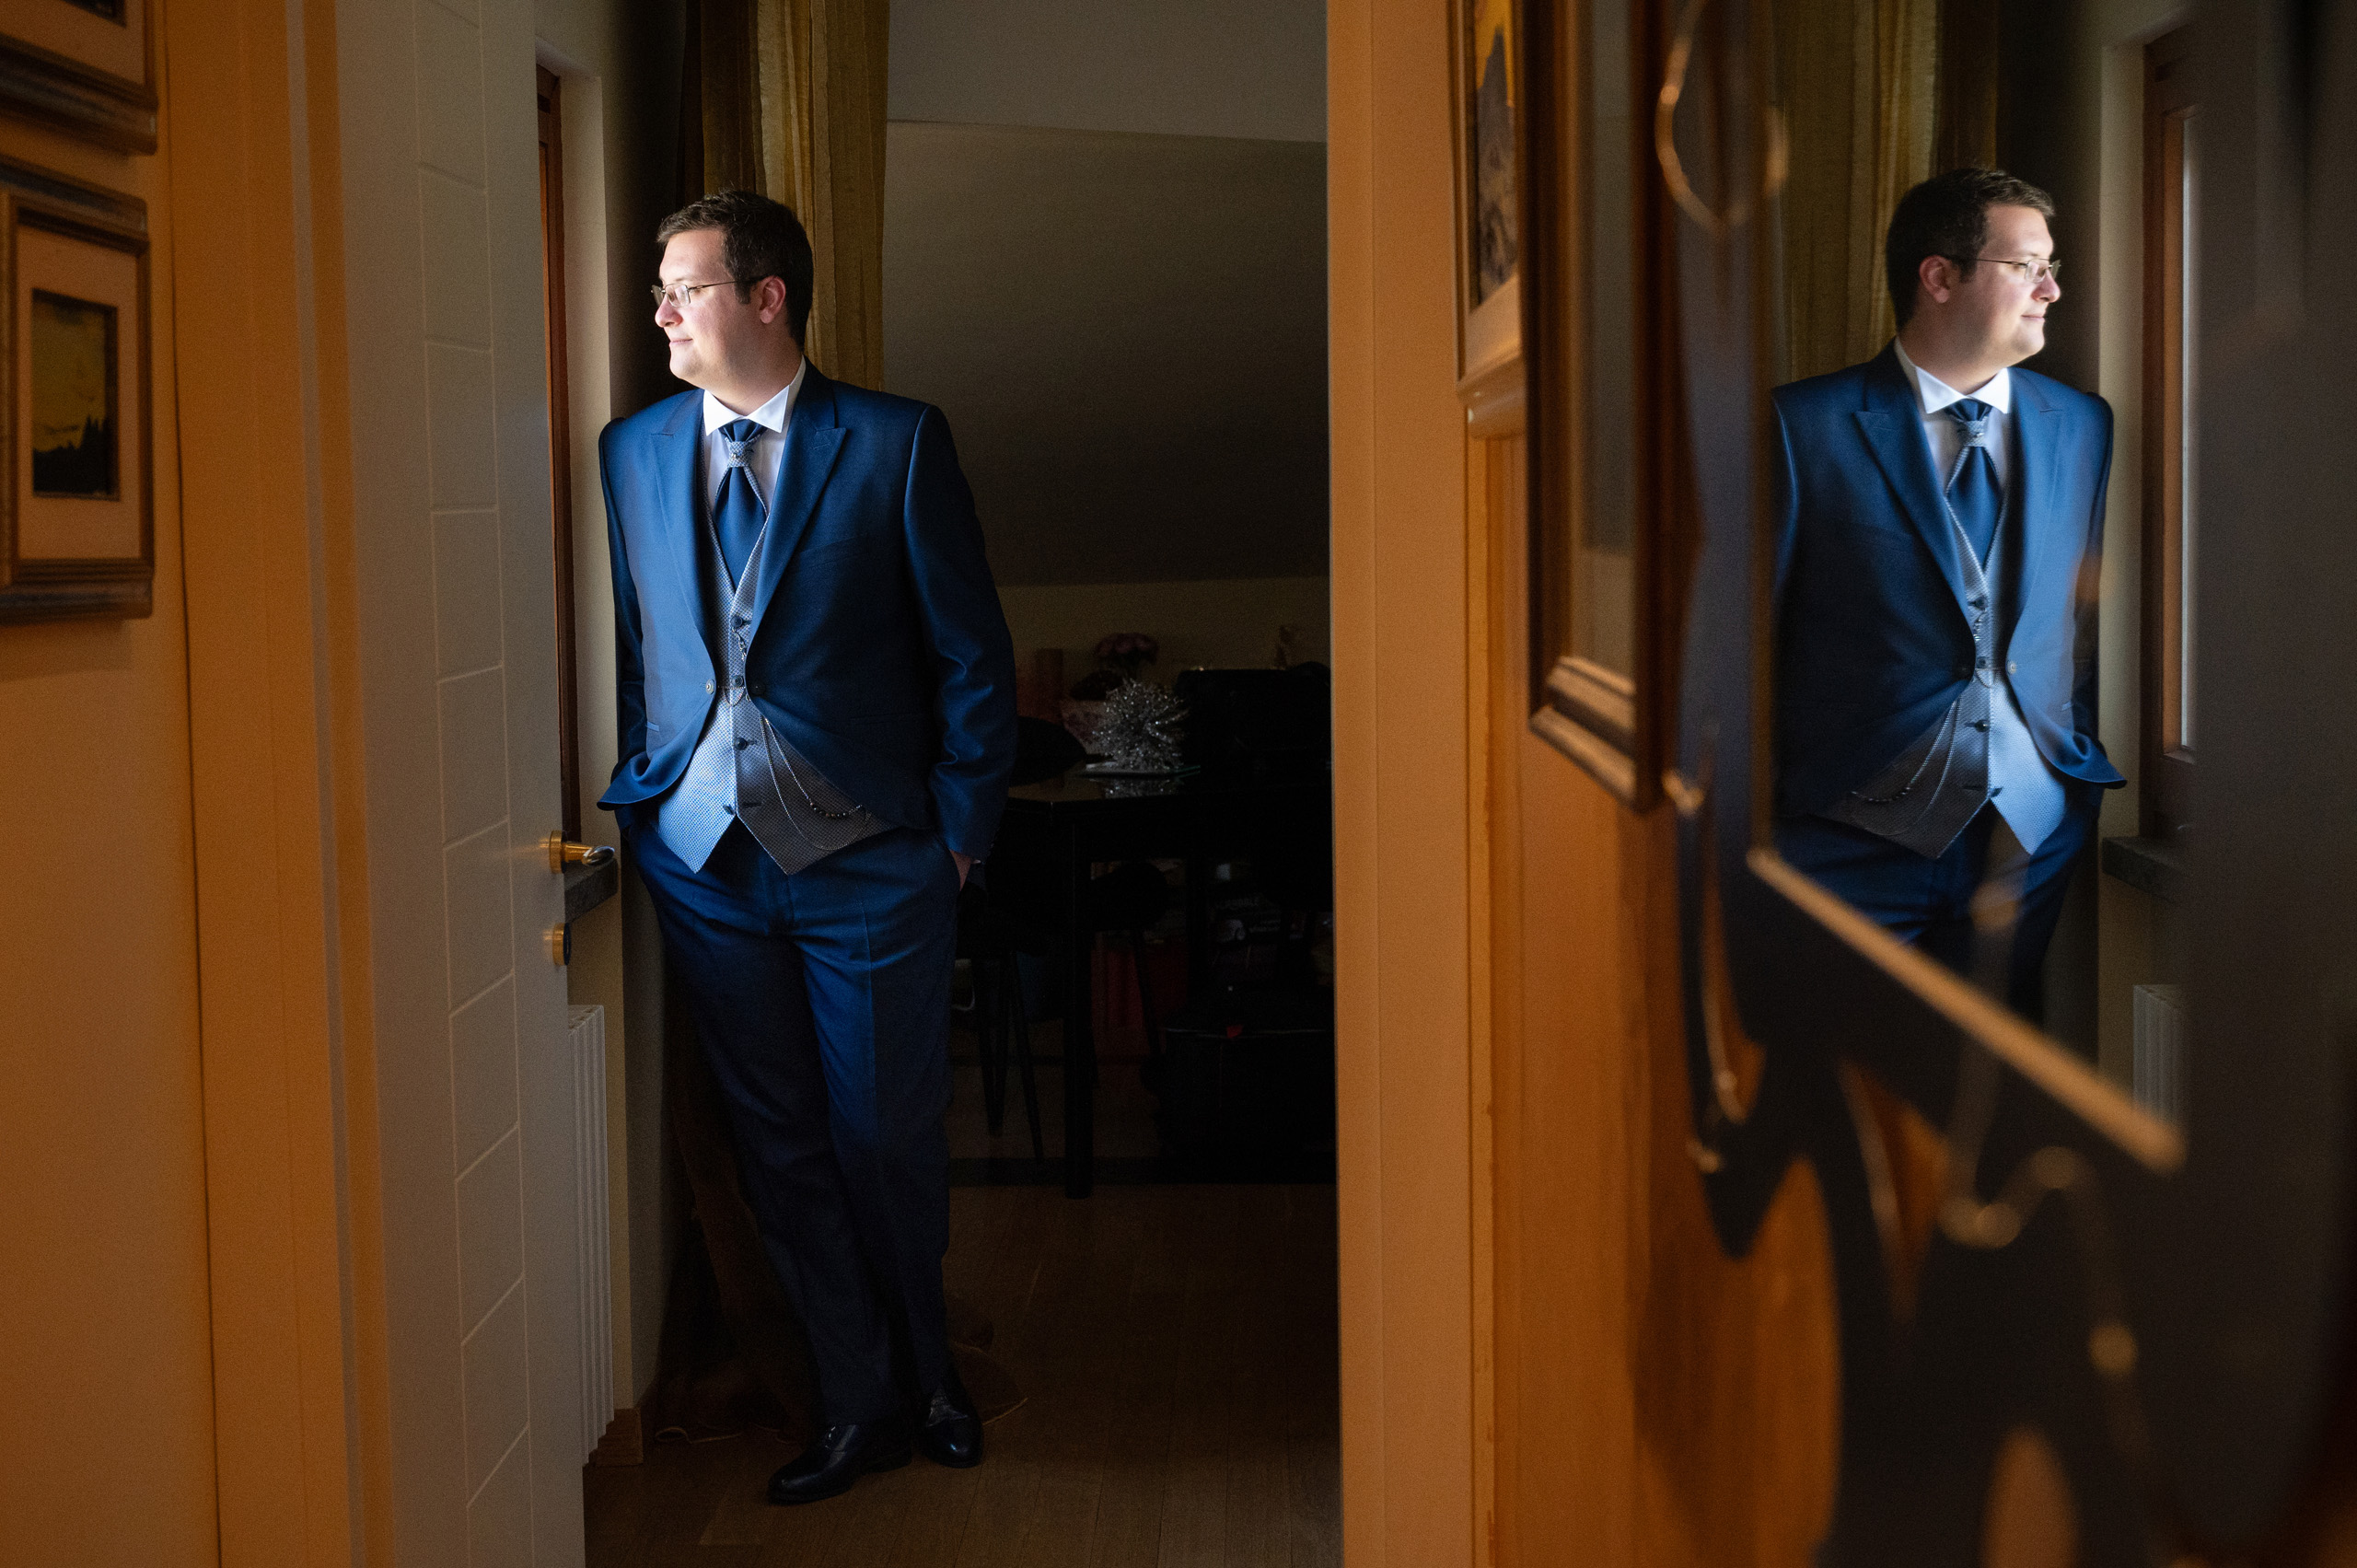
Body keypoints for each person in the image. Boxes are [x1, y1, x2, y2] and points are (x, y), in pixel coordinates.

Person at [598, 190, 1016, 1502]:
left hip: (874, 862)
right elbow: (644, 643)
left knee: (882, 1136)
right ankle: (853, 1401)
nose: (661, 315)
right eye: (661, 292)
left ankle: (931, 1373)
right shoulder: (631, 449)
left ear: (766, 297)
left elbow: (971, 654)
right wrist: (656, 798)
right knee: (776, 1143)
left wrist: (956, 839)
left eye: (685, 289)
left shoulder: (893, 441)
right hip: (704, 865)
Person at [1771, 168, 2123, 1019]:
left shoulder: (2082, 424)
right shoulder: (1799, 427)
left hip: (2027, 842)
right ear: (1939, 276)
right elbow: (1746, 639)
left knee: (1991, 1080)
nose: (2053, 289)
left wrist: (2066, 781)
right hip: (1841, 841)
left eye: (2052, 267)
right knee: (1837, 1072)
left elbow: (2075, 620)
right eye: (2027, 266)